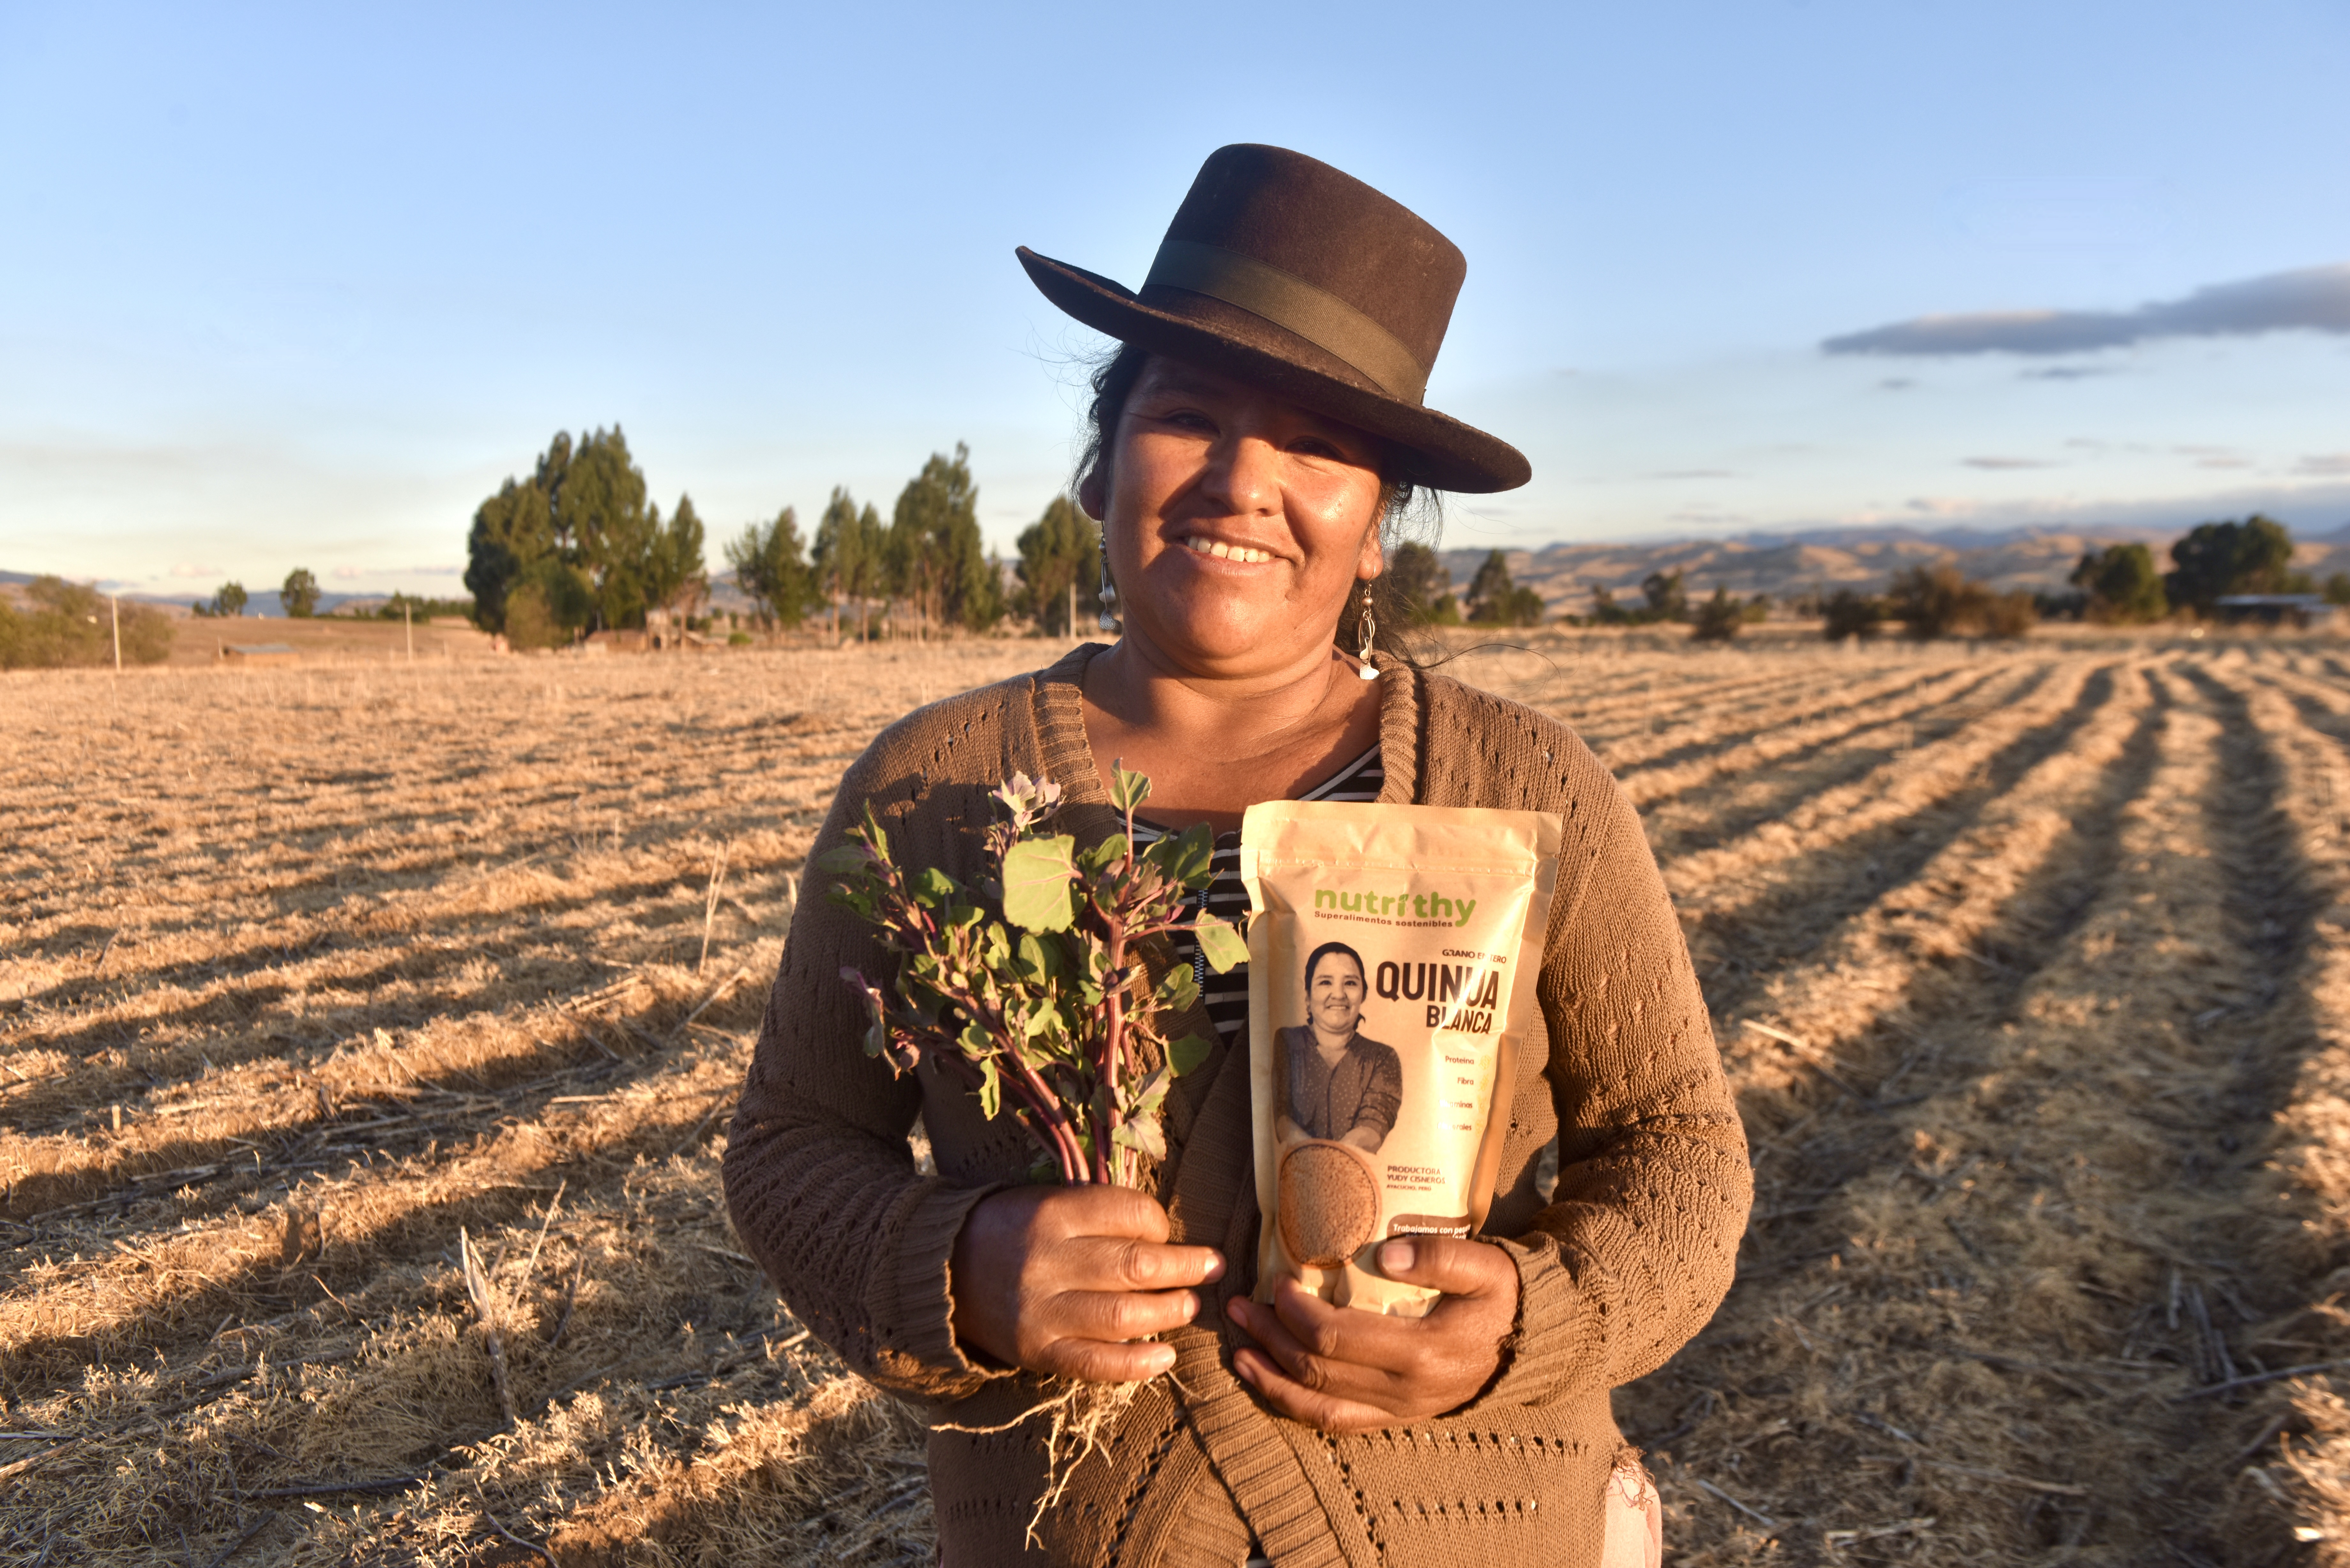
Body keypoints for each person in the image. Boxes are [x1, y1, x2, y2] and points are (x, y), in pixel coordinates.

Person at [724, 144, 1747, 1568]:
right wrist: (961, 1265)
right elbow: (788, 1143)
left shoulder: (1528, 783)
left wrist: (1526, 1313)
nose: (1241, 482)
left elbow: (1681, 1153)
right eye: (1189, 416)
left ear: (1379, 525)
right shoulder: (936, 785)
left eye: (1318, 447)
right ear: (1099, 464)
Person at [1275, 941, 1402, 1152]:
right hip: (1295, 1174)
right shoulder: (1286, 1042)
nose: (1339, 994)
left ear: (1364, 994)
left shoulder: (1382, 1058)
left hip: (1353, 1178)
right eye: (1326, 982)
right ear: (1307, 996)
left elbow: (1374, 1124)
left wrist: (1330, 1164)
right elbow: (1280, 1117)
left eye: (1351, 983)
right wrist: (1315, 1163)